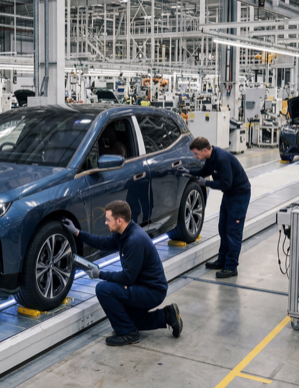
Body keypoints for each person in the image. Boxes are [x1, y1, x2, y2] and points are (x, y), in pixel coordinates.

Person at [61, 201, 183, 346]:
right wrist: (77, 232)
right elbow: (102, 242)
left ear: (119, 220)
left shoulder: (134, 241)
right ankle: (167, 315)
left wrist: (99, 274)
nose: (106, 223)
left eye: (108, 219)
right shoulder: (123, 233)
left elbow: (127, 278)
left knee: (103, 289)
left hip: (152, 291)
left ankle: (128, 333)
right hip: (144, 286)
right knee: (130, 319)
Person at [178, 137, 251, 278]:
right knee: (223, 228)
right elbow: (204, 170)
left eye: (196, 154)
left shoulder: (222, 159)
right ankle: (222, 260)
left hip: (239, 195)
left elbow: (226, 183)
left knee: (233, 231)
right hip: (229, 195)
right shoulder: (211, 157)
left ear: (204, 150)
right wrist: (189, 172)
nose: (195, 156)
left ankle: (231, 267)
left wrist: (206, 183)